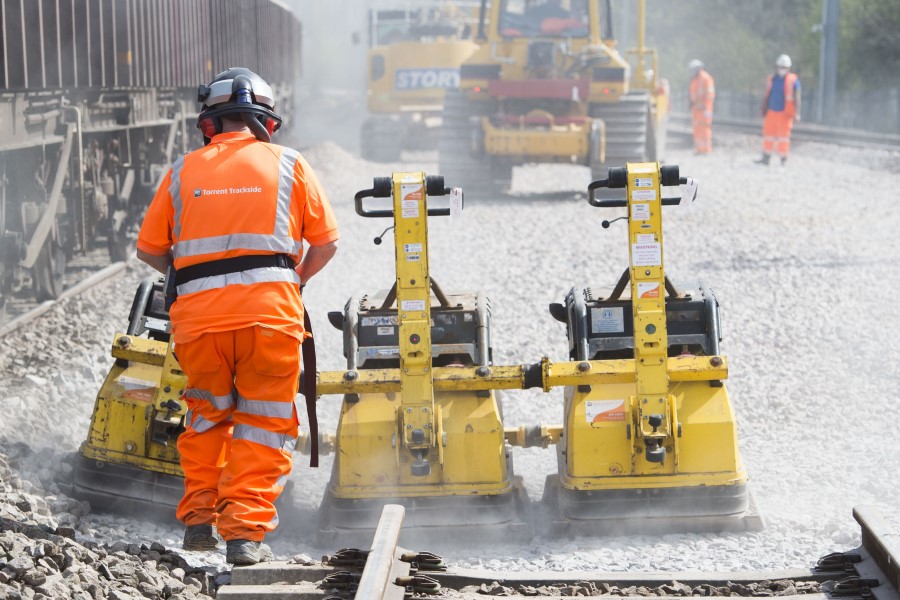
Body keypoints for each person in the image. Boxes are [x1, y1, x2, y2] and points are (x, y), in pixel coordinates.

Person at [135, 68, 339, 565]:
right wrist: (294, 280)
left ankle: (200, 521)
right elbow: (327, 243)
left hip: (199, 322)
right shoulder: (291, 164)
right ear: (266, 122)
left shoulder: (182, 171)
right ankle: (244, 536)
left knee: (206, 416)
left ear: (210, 123)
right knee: (263, 423)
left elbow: (149, 252)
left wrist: (192, 273)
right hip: (270, 318)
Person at [756, 54, 801, 166]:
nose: (782, 69)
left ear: (788, 68)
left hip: (785, 113)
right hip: (771, 112)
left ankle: (783, 159)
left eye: (784, 67)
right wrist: (763, 108)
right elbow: (767, 95)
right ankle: (766, 158)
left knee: (783, 138)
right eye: (780, 67)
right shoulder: (772, 79)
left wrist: (797, 112)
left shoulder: (793, 80)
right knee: (768, 136)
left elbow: (797, 97)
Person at [688, 59, 715, 154]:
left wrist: (705, 106)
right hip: (696, 109)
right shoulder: (694, 80)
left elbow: (710, 94)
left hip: (704, 109)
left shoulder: (706, 78)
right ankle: (699, 149)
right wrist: (691, 104)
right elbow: (693, 94)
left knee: (705, 129)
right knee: (697, 129)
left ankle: (706, 149)